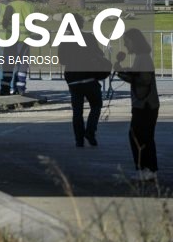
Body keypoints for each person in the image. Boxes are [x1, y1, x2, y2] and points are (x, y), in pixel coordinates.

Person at [114, 28, 159, 182]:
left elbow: (144, 79)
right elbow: (139, 75)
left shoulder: (143, 58)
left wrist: (124, 73)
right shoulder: (142, 57)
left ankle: (146, 169)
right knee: (143, 137)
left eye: (127, 42)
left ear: (135, 42)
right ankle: (148, 169)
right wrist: (123, 72)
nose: (126, 45)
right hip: (146, 104)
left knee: (139, 137)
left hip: (145, 105)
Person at [58, 13, 104, 148]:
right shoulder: (89, 37)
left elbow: (62, 59)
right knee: (96, 105)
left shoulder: (64, 40)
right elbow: (99, 54)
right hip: (89, 76)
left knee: (77, 111)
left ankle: (79, 139)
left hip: (73, 78)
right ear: (81, 24)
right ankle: (90, 132)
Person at [1, 0, 35, 95]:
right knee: (23, 64)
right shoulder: (31, 6)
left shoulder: (11, 5)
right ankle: (21, 88)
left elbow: (5, 22)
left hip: (12, 38)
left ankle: (5, 88)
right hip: (25, 39)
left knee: (8, 64)